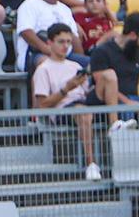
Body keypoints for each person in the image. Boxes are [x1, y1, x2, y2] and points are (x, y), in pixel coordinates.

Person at [32, 26, 100, 180]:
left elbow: (86, 91)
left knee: (108, 77)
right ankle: (91, 163)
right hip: (63, 110)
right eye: (61, 42)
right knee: (84, 113)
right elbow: (42, 104)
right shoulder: (43, 69)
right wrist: (67, 88)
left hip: (82, 101)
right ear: (50, 43)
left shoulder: (75, 66)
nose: (65, 46)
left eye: (68, 42)